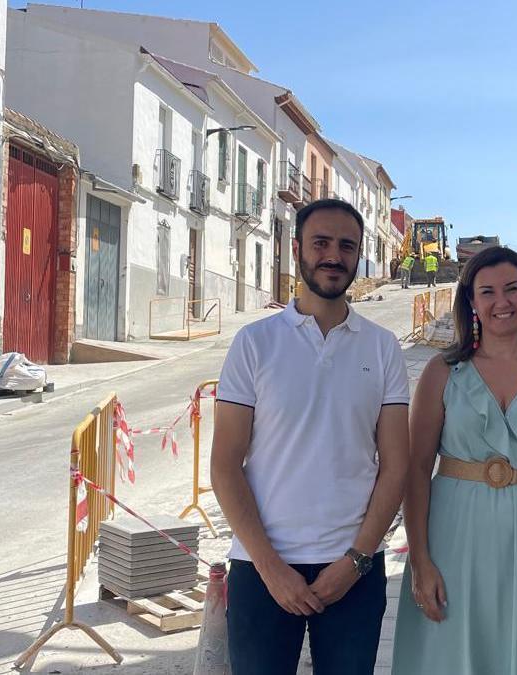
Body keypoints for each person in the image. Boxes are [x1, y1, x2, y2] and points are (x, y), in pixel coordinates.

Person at [212, 198, 411, 675]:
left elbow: (397, 466)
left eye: (347, 246)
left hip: (354, 570)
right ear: (297, 247)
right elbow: (224, 464)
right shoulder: (254, 344)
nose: (334, 256)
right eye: (321, 242)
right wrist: (270, 568)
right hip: (261, 570)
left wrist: (357, 559)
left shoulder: (383, 348)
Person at [393, 246, 517, 674]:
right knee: (454, 649)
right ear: (472, 303)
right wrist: (421, 559)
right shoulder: (441, 373)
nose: (501, 302)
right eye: (487, 292)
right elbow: (416, 471)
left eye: (512, 289)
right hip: (455, 535)